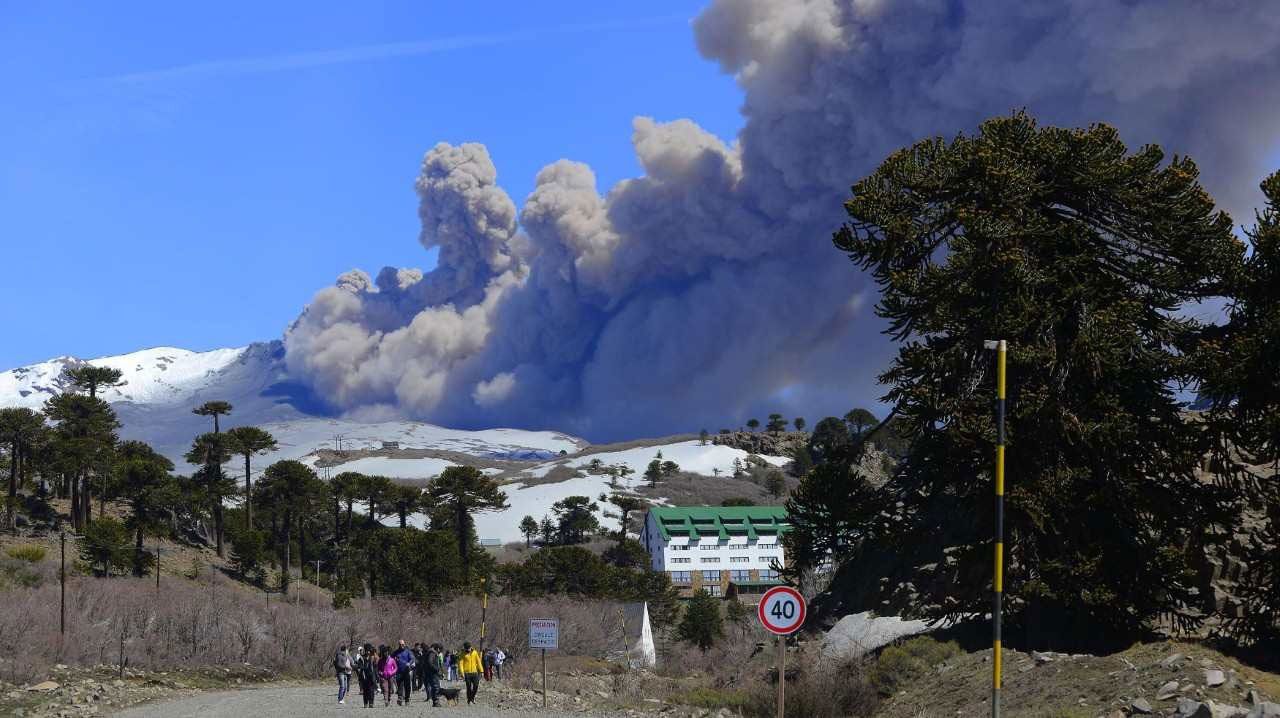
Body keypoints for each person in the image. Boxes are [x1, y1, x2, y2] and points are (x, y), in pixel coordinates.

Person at [394, 639, 416, 705]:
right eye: (400, 644)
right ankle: (400, 698)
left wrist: (409, 663)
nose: (401, 646)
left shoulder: (408, 652)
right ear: (398, 645)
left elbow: (412, 659)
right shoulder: (396, 652)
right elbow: (390, 658)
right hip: (399, 672)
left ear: (404, 644)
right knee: (399, 686)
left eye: (402, 644)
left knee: (407, 686)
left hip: (406, 671)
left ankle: (407, 699)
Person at [355, 644, 377, 708]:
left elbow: (376, 666)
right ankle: (365, 703)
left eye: (369, 650)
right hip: (364, 676)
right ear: (365, 650)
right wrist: (362, 669)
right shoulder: (362, 658)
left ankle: (371, 703)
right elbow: (359, 666)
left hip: (371, 676)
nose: (368, 652)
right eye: (367, 650)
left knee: (371, 690)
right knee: (365, 691)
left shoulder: (373, 657)